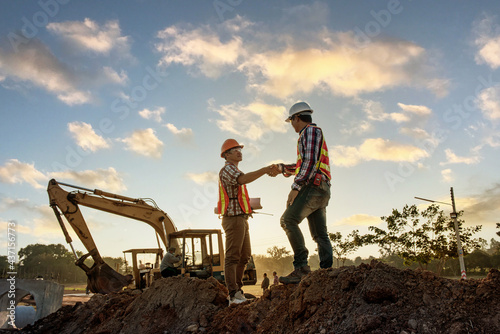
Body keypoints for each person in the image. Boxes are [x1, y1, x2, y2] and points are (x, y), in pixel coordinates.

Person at [277, 102, 333, 284]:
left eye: (291, 120)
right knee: (319, 234)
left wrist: (296, 187)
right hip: (321, 188)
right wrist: (282, 168)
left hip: (313, 187)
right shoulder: (312, 134)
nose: (291, 124)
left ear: (297, 117)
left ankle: (301, 267)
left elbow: (308, 163)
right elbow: (304, 165)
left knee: (288, 220)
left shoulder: (309, 132)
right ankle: (327, 273)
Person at [217, 138, 279, 305]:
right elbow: (242, 179)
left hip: (242, 218)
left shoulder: (235, 170)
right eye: (235, 149)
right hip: (233, 220)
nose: (239, 152)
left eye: (240, 149)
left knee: (244, 256)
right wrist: (265, 169)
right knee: (232, 257)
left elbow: (238, 195)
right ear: (226, 155)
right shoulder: (228, 170)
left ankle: (238, 290)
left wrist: (250, 206)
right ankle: (233, 294)